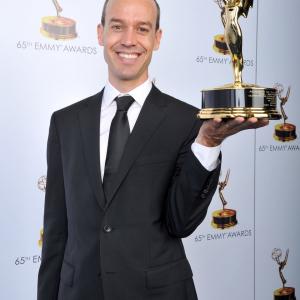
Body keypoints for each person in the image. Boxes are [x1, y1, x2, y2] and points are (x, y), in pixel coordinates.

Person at [37, 0, 268, 299]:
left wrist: (208, 142)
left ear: (157, 38)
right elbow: (56, 233)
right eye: (117, 26)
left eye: (142, 29)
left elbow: (180, 222)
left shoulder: (189, 122)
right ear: (100, 33)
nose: (128, 40)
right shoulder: (65, 123)